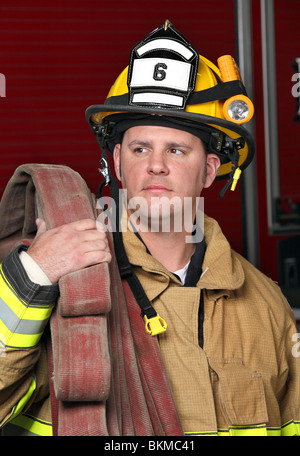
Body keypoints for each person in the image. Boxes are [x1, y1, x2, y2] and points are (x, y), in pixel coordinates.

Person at [0, 21, 299, 437]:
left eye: (176, 149)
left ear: (210, 169)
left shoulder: (267, 306)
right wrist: (31, 278)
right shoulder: (58, 283)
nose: (156, 165)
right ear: (118, 163)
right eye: (141, 149)